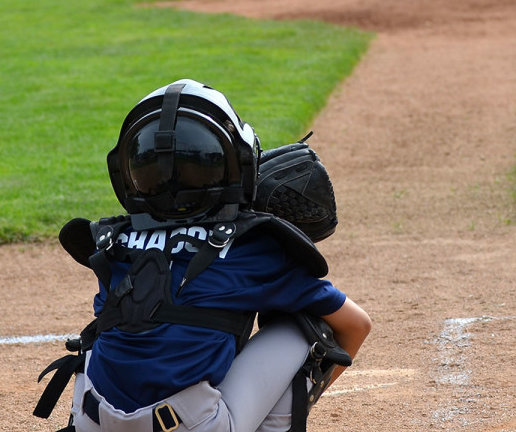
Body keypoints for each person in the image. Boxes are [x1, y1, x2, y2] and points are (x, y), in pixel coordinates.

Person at [35, 79, 370, 432]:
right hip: (189, 425)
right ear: (237, 164)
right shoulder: (254, 248)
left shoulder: (111, 242)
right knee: (307, 326)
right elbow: (356, 326)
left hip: (94, 423)